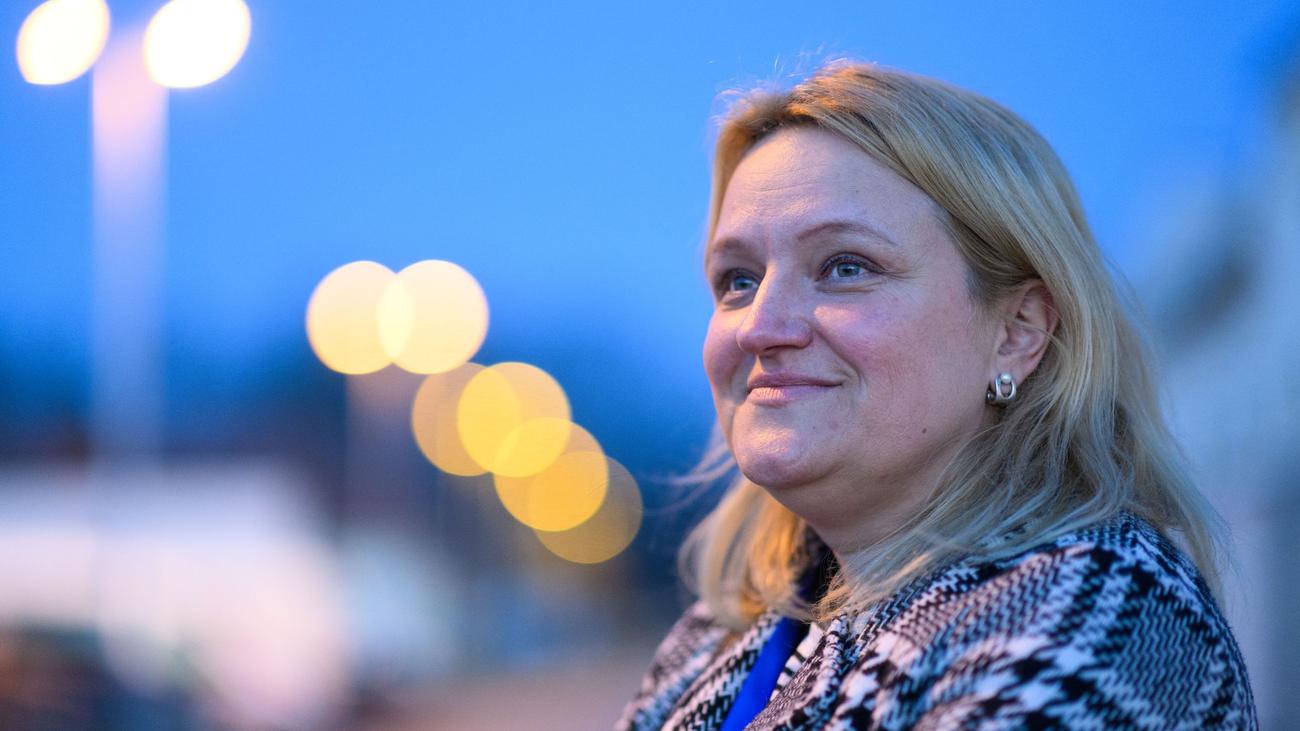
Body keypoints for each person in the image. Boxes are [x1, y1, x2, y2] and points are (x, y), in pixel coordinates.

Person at [616, 62, 1257, 730]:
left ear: (1018, 331)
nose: (759, 326)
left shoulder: (1093, 617)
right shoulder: (733, 627)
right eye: (738, 280)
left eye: (845, 267)